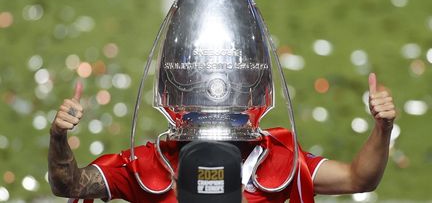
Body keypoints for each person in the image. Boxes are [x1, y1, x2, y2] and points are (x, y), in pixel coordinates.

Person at [48, 72, 396, 202]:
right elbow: (71, 185)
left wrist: (382, 128)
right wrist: (59, 137)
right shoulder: (149, 167)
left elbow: (358, 177)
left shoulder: (278, 160)